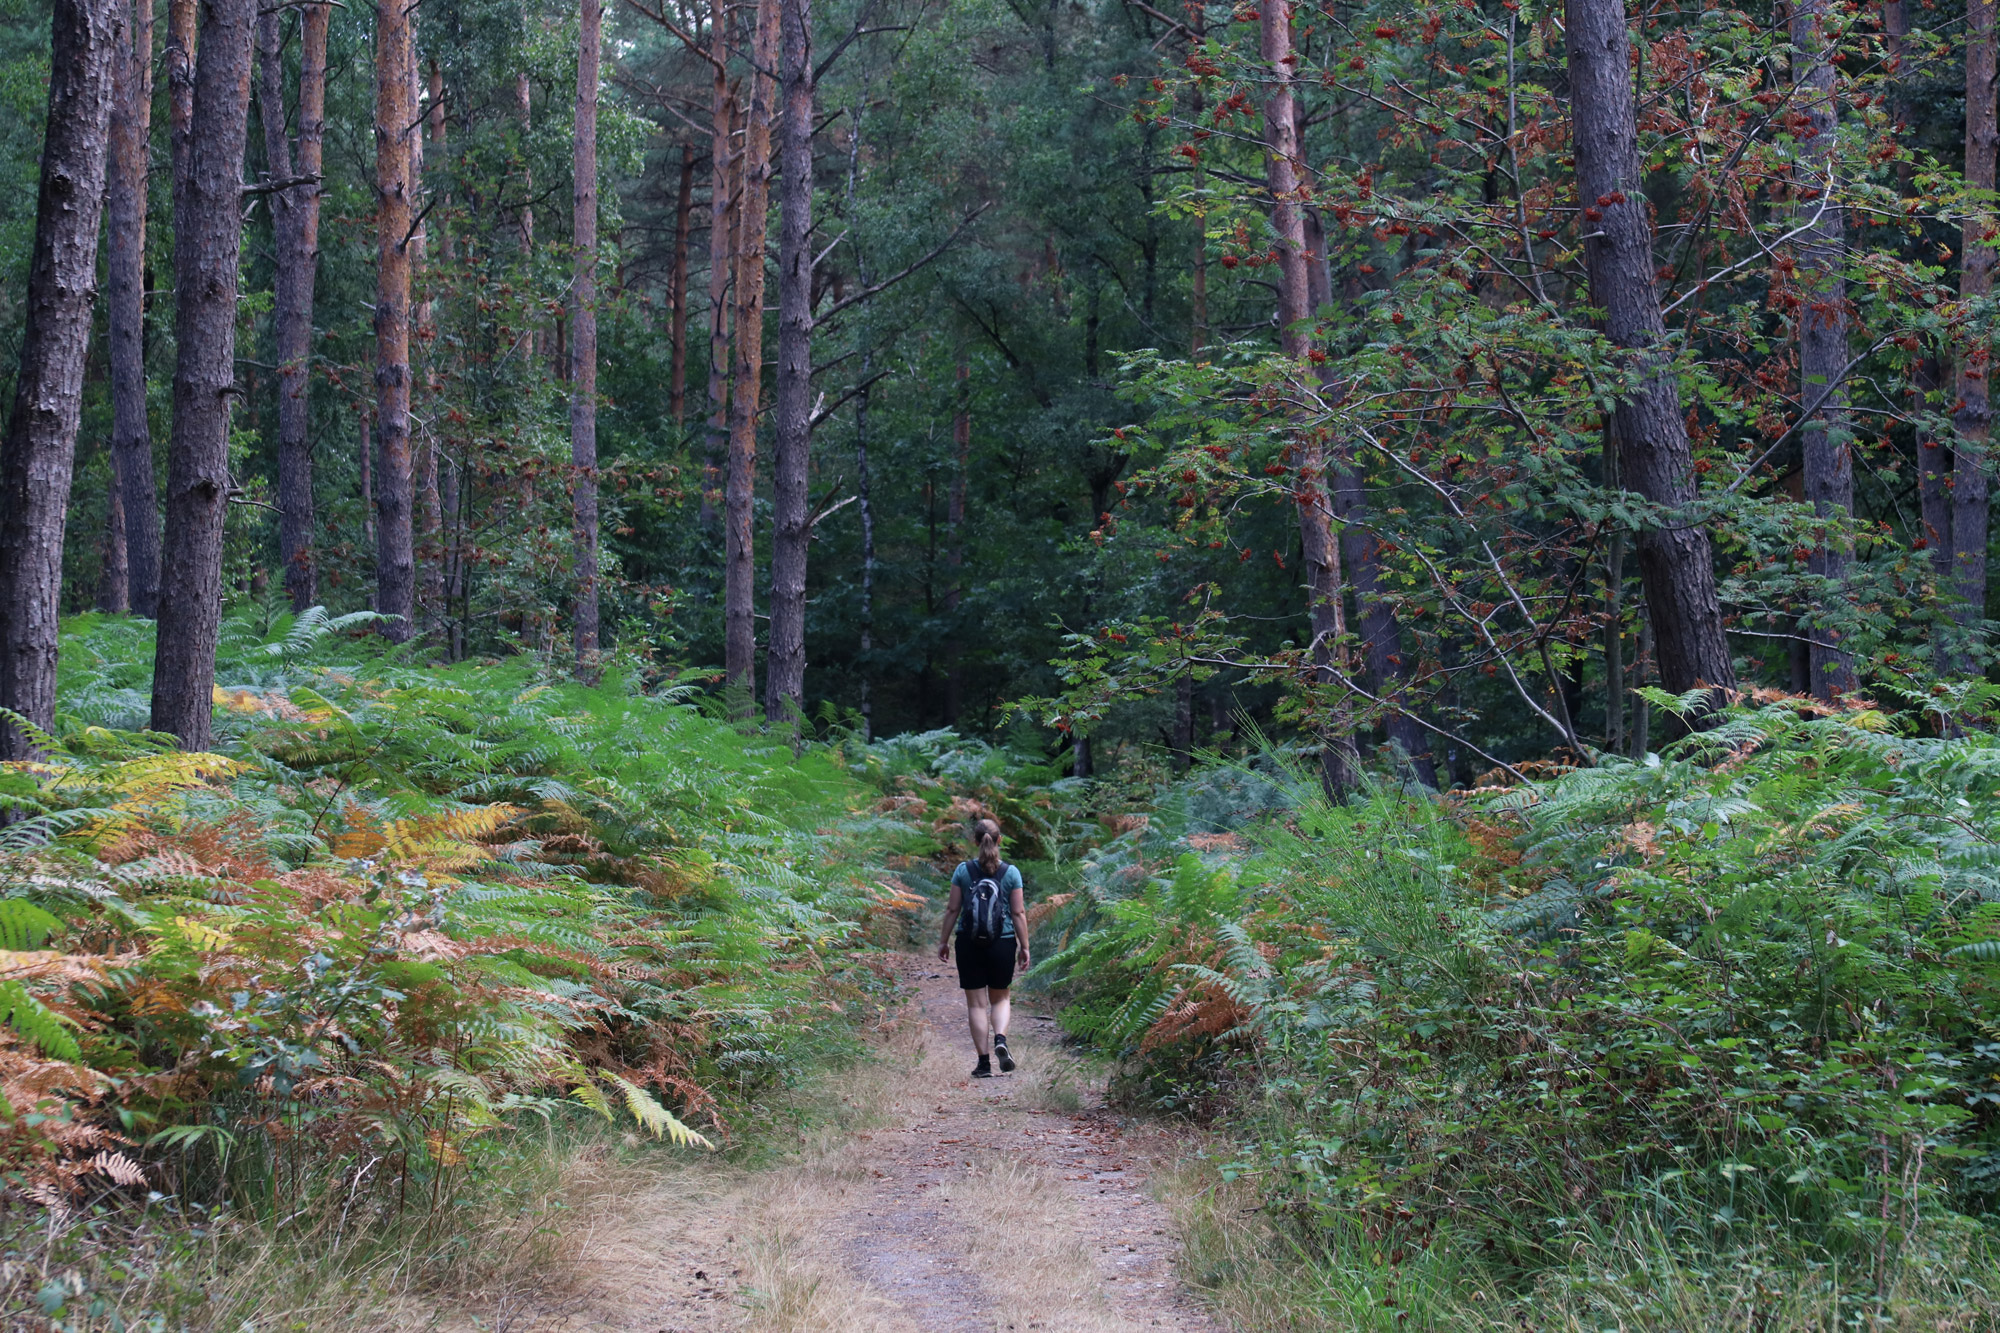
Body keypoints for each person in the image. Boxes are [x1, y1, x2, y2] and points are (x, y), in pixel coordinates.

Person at [936, 817, 1029, 1077]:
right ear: (999, 840)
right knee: (1000, 998)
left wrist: (943, 941)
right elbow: (1018, 913)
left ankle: (984, 1063)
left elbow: (953, 908)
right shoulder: (1011, 873)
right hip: (1003, 941)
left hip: (969, 942)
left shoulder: (963, 871)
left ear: (975, 842)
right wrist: (1025, 947)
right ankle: (1001, 1039)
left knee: (976, 1004)